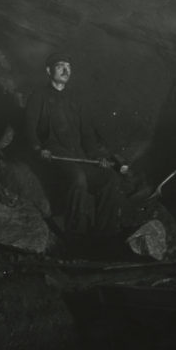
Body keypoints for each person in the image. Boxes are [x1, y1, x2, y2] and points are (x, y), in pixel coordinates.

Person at [25, 52, 122, 238]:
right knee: (77, 177)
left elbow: (87, 135)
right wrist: (38, 149)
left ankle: (105, 235)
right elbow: (30, 128)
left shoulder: (76, 99)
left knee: (109, 178)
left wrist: (96, 157)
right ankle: (75, 235)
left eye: (68, 66)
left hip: (79, 156)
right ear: (48, 70)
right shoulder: (39, 96)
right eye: (60, 65)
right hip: (54, 154)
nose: (65, 70)